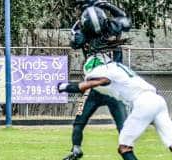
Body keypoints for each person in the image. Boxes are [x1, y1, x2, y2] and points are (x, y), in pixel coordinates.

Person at [58, 53, 172, 160]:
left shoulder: (103, 73)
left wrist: (64, 87)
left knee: (124, 148)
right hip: (157, 100)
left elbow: (85, 86)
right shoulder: (116, 66)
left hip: (143, 102)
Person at [62, 1, 131, 160]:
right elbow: (124, 19)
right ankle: (127, 154)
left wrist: (80, 20)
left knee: (79, 121)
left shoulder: (83, 35)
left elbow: (74, 39)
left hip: (93, 86)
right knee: (123, 126)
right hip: (113, 87)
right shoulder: (113, 28)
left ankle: (76, 149)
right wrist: (107, 5)